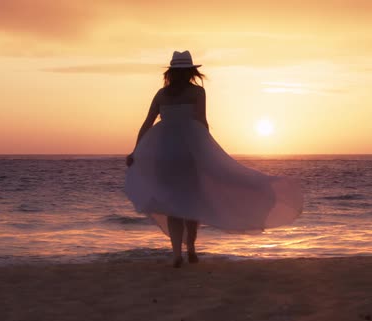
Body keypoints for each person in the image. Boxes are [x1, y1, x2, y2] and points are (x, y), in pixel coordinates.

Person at [124, 50, 303, 268]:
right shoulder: (197, 92)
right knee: (190, 200)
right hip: (188, 152)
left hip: (165, 153)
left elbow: (147, 124)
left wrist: (136, 151)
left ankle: (176, 253)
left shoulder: (161, 94)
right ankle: (190, 249)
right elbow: (201, 122)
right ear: (191, 71)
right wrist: (206, 150)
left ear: (171, 72)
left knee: (172, 204)